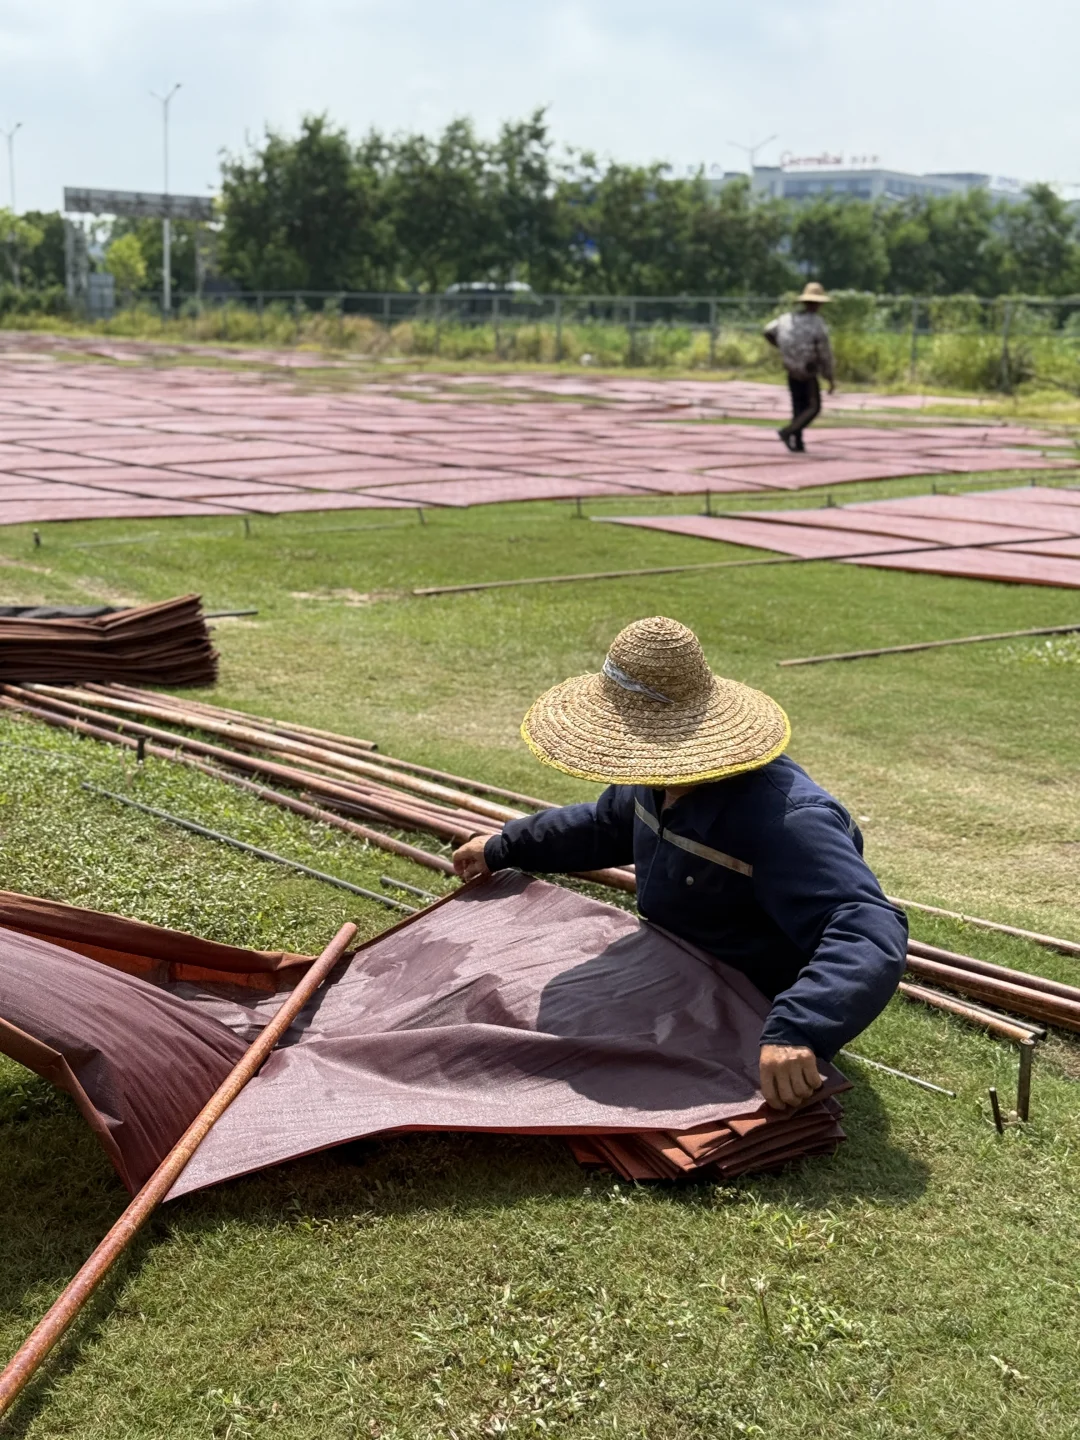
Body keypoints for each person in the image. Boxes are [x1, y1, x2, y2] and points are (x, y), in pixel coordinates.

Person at [453, 616, 907, 1113]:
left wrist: (800, 1026)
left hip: (747, 999)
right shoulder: (656, 777)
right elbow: (604, 826)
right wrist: (507, 845)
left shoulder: (788, 821)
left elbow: (866, 925)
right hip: (670, 964)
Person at [764, 281, 836, 453]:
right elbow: (824, 353)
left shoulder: (786, 319)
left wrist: (782, 346)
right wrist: (829, 376)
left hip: (791, 367)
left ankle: (798, 441)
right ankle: (788, 431)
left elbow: (767, 330)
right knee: (813, 407)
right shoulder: (817, 323)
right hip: (808, 369)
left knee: (798, 405)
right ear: (818, 304)